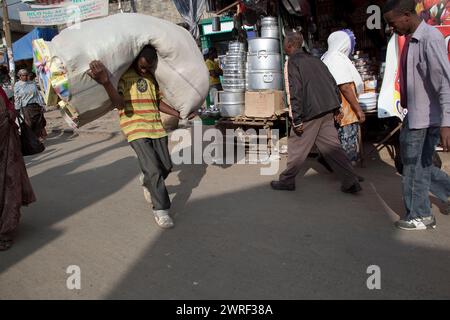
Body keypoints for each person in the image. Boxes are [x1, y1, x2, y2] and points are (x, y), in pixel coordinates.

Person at [88, 45, 192, 229]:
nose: (145, 69)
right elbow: (119, 104)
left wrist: (178, 114)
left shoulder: (152, 77)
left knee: (165, 167)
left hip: (156, 127)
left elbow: (157, 101)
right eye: (142, 66)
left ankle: (146, 180)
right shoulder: (122, 76)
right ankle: (161, 210)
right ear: (135, 59)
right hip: (134, 126)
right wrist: (105, 82)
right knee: (153, 168)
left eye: (148, 66)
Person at [383, 0, 450, 230]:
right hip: (414, 115)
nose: (392, 28)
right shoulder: (411, 39)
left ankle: (421, 215)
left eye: (393, 23)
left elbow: (444, 83)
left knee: (413, 168)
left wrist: (446, 123)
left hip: (426, 119)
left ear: (407, 15)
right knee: (418, 166)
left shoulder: (430, 38)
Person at [271, 31, 362, 194]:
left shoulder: (292, 62)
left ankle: (287, 180)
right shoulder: (315, 59)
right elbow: (332, 83)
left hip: (309, 112)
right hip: (327, 109)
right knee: (333, 148)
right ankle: (350, 180)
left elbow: (294, 92)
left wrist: (296, 119)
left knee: (296, 146)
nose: (284, 46)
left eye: (285, 43)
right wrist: (337, 107)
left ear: (290, 45)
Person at [321, 29, 366, 164]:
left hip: (335, 108)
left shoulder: (327, 57)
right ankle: (348, 176)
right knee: (347, 143)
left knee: (338, 141)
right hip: (345, 111)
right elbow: (345, 87)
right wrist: (358, 109)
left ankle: (341, 169)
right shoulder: (336, 58)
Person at [0, 86, 36, 251]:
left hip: (8, 143)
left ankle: (5, 230)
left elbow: (8, 109)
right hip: (6, 141)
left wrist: (10, 115)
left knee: (9, 186)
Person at [14, 69, 47, 141]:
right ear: (19, 76)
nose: (25, 77)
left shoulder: (32, 83)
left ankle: (37, 138)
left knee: (38, 122)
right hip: (26, 106)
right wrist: (17, 108)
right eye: (23, 75)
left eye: (26, 75)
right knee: (29, 123)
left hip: (36, 105)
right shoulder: (17, 85)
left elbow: (38, 95)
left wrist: (41, 104)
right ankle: (31, 139)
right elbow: (16, 97)